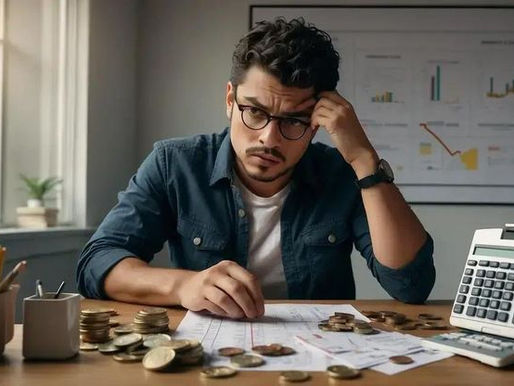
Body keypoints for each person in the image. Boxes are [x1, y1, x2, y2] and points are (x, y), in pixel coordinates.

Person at [77, 18, 435, 320]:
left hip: (326, 357)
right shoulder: (175, 164)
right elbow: (97, 263)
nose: (269, 138)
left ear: (317, 122)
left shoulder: (341, 175)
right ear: (230, 100)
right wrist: (183, 285)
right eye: (256, 112)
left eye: (293, 121)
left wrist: (363, 160)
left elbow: (411, 284)